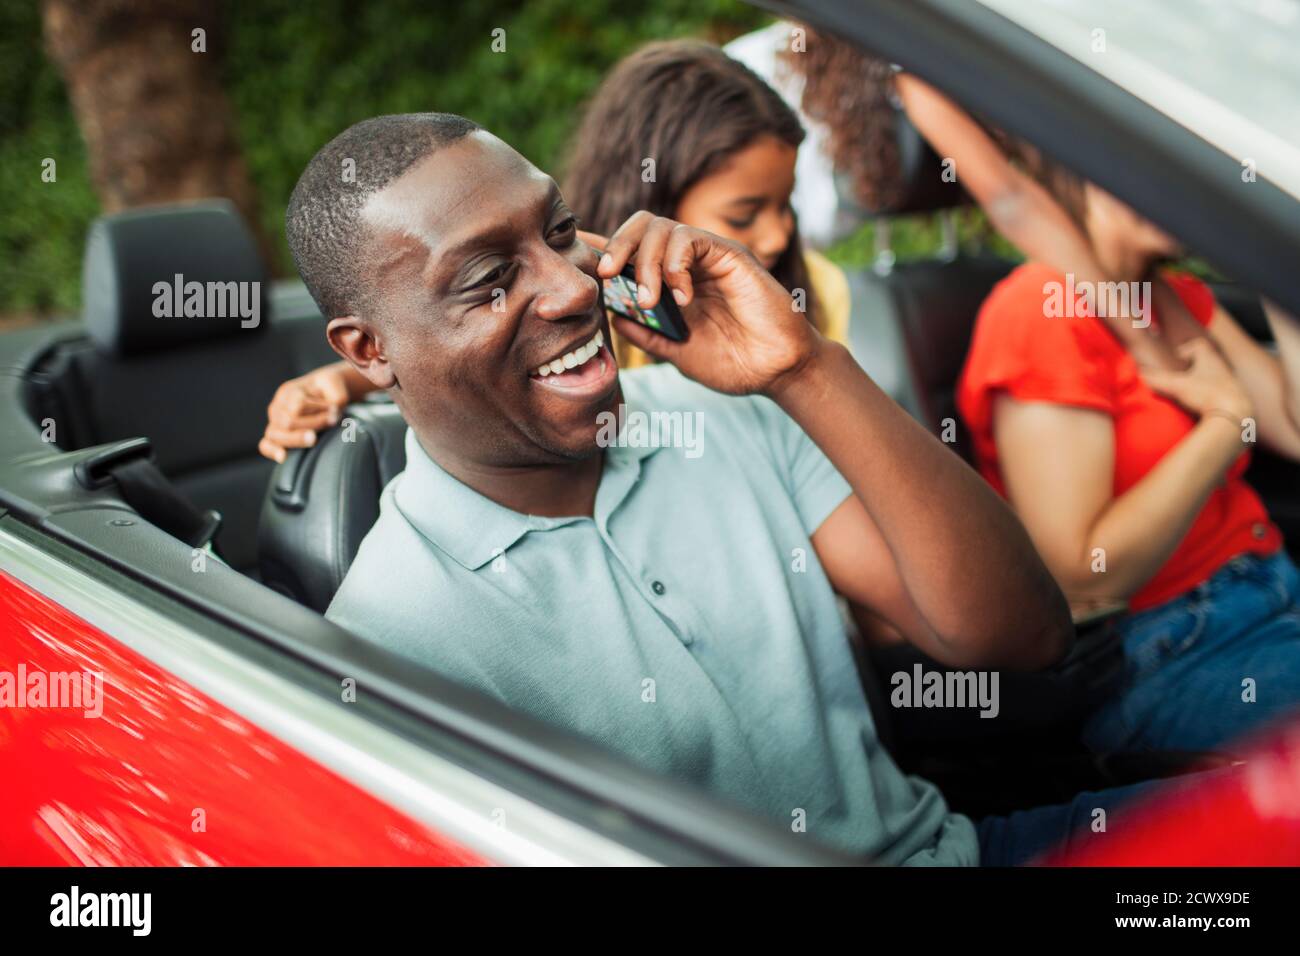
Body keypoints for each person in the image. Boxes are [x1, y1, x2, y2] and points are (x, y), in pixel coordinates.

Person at [279, 109, 1199, 866]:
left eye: (560, 233)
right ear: (369, 351)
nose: (570, 288)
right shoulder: (395, 639)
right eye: (488, 280)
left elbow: (1020, 636)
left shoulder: (723, 413)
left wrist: (802, 368)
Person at [259, 40, 853, 462]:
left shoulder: (813, 288)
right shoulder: (607, 289)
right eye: (743, 215)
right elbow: (462, 354)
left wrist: (803, 368)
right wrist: (342, 381)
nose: (777, 237)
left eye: (789, 204)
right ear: (651, 195)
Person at [954, 149, 1300, 753]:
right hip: (1168, 651)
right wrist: (1224, 425)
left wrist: (1274, 260)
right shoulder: (1042, 308)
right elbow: (1086, 574)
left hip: (1273, 590)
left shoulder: (1172, 296)